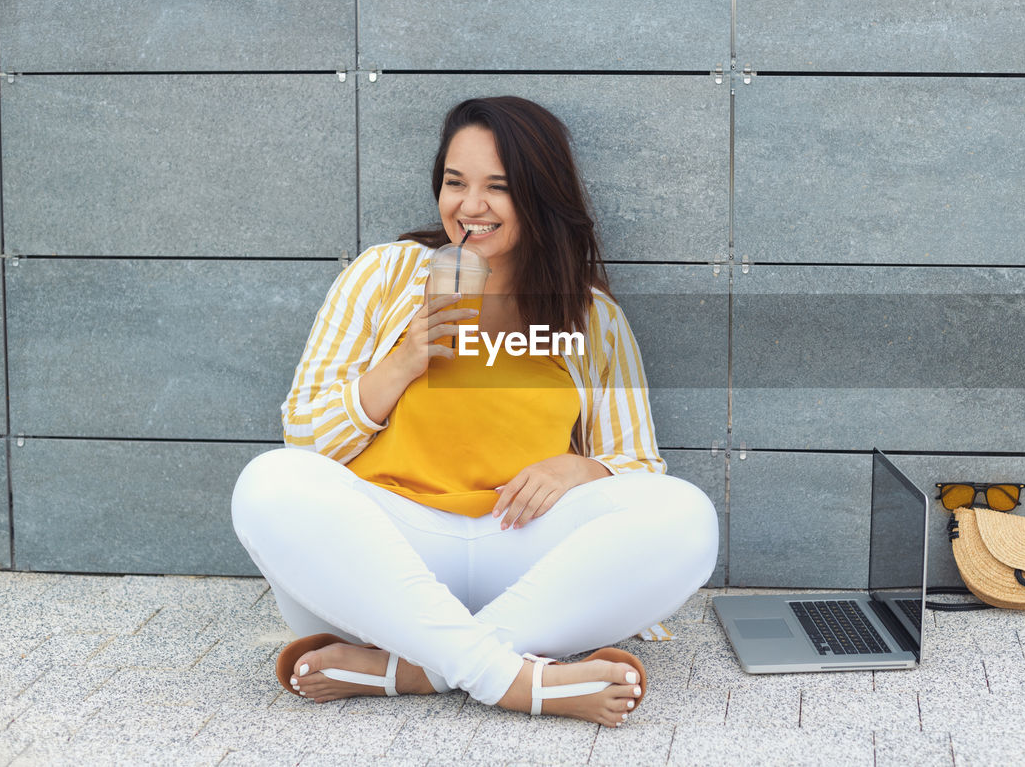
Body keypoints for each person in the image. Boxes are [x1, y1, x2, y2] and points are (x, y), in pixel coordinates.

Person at [231, 96, 719, 728]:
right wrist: (403, 362)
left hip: (524, 558)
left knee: (686, 515)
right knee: (268, 482)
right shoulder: (383, 274)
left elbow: (640, 465)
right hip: (387, 561)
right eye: (455, 183)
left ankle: (413, 669)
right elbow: (305, 437)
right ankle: (516, 681)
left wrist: (579, 470)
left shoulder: (591, 318)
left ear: (541, 199)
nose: (469, 206)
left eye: (499, 188)